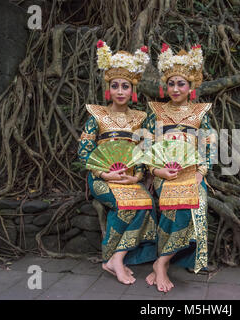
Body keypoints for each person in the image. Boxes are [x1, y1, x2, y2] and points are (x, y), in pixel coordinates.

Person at [78, 40, 156, 285]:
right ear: (108, 89)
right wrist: (104, 175)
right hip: (103, 179)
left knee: (145, 204)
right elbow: (84, 152)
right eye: (115, 86)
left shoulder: (139, 119)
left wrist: (138, 176)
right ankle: (114, 260)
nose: (120, 91)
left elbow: (143, 152)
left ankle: (115, 259)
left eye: (125, 86)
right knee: (125, 205)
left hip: (129, 178)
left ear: (132, 89)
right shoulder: (97, 117)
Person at [143, 43, 216, 292]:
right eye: (171, 83)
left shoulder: (200, 114)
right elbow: (145, 147)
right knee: (175, 205)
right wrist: (156, 172)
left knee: (195, 204)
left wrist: (200, 172)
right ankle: (163, 262)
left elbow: (208, 147)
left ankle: (161, 263)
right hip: (165, 174)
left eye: (181, 83)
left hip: (192, 173)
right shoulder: (156, 113)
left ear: (190, 86)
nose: (175, 88)